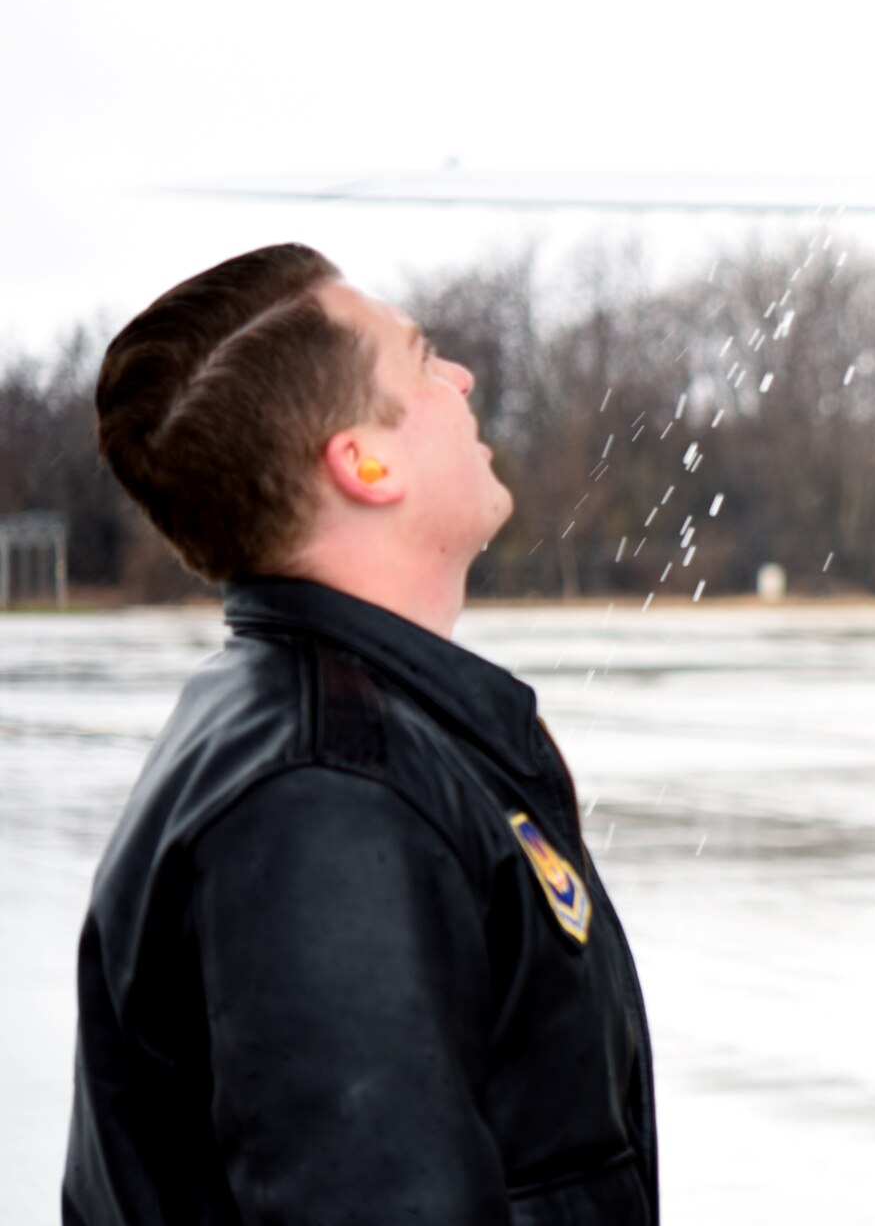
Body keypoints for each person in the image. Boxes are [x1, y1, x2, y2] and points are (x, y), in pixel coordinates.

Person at [64, 245, 658, 1224]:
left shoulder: (361, 737)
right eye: (423, 361)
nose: (463, 378)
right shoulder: (325, 800)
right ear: (364, 463)